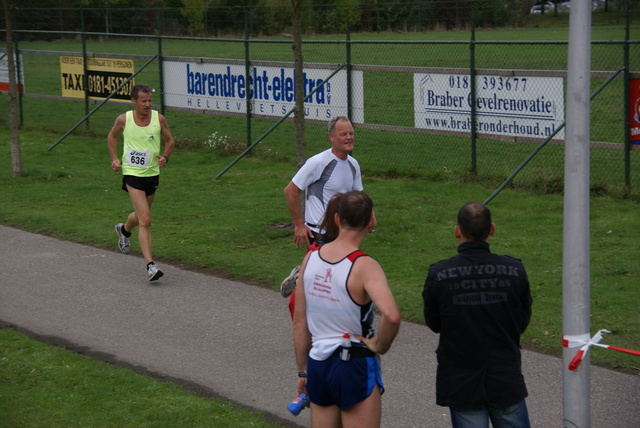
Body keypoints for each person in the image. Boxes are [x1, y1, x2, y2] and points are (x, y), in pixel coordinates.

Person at [293, 190, 401, 428]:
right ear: (371, 221)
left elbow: (300, 321)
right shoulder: (364, 265)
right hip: (353, 364)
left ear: (337, 219)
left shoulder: (311, 258)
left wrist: (303, 372)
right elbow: (391, 316)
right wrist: (379, 345)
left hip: (318, 364)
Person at [422, 201, 533, 428]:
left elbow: (434, 323)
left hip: (462, 379)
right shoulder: (514, 270)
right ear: (491, 229)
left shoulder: (440, 274)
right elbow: (521, 320)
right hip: (504, 376)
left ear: (457, 231)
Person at [281, 116, 363, 297]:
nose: (349, 137)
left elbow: (359, 196)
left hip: (341, 231)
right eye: (343, 134)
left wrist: (368, 216)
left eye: (351, 133)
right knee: (327, 283)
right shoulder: (318, 162)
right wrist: (299, 224)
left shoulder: (353, 165)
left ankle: (302, 275)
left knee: (335, 278)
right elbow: (290, 190)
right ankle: (301, 279)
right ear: (331, 137)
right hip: (318, 231)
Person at [107, 83, 175, 282]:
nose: (147, 104)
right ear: (134, 101)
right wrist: (114, 159)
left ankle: (124, 230)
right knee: (146, 220)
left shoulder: (159, 119)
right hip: (132, 174)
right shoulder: (124, 119)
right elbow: (111, 136)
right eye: (143, 101)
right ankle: (150, 266)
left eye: (150, 101)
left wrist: (165, 157)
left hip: (152, 174)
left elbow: (170, 141)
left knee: (140, 216)